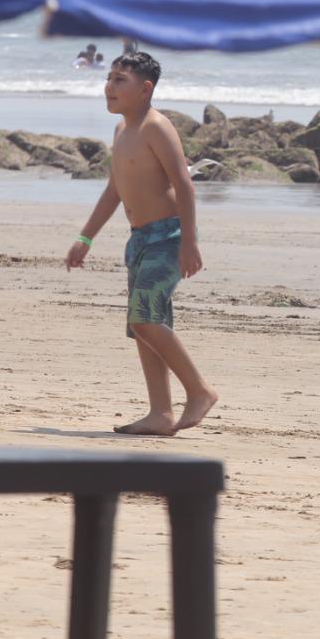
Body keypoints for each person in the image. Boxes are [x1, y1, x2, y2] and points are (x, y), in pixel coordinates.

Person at [65, 52, 217, 436]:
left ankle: (199, 391)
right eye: (109, 78)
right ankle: (160, 413)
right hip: (140, 241)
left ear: (145, 88)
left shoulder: (156, 127)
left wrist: (189, 242)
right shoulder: (121, 132)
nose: (109, 87)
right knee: (145, 327)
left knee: (145, 319)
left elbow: (183, 183)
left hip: (169, 237)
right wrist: (86, 237)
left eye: (120, 80)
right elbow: (115, 189)